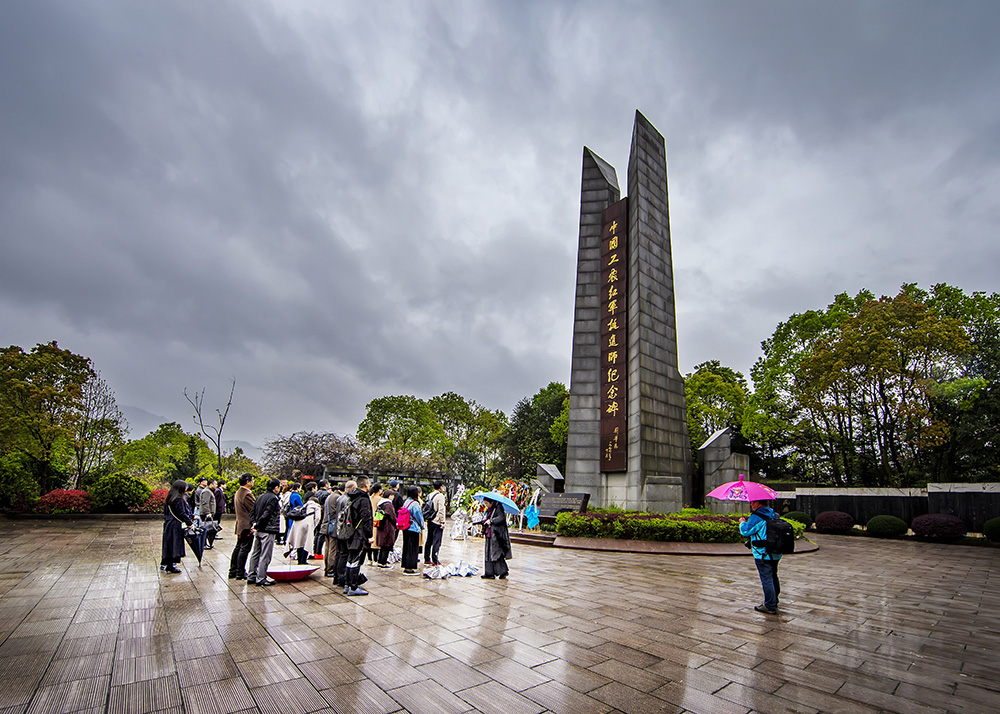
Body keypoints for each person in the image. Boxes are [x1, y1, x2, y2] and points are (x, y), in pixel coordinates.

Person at [739, 499, 783, 614]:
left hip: (763, 553)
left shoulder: (756, 516)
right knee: (774, 576)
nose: (751, 505)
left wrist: (742, 522)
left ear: (757, 503)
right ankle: (774, 601)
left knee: (766, 578)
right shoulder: (774, 514)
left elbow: (745, 532)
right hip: (776, 552)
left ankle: (769, 605)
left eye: (752, 503)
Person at [247, 478, 281, 586]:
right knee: (265, 555)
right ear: (276, 487)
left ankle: (251, 575)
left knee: (255, 553)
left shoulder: (260, 497)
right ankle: (261, 578)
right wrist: (259, 525)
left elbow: (252, 512)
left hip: (259, 529)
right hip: (268, 529)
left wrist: (254, 524)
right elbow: (267, 514)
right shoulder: (273, 498)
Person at [343, 477, 374, 595]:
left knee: (350, 559)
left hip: (350, 531)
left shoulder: (351, 497)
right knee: (356, 560)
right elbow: (366, 518)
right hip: (359, 533)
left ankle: (347, 584)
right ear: (366, 485)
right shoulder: (363, 499)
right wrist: (369, 535)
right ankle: (353, 586)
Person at [161, 480, 193, 573]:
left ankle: (168, 564)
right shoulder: (178, 498)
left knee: (169, 544)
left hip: (168, 523)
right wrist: (189, 523)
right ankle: (171, 565)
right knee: (175, 544)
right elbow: (181, 513)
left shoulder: (170, 497)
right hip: (175, 524)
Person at [228, 473, 256, 579]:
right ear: (248, 482)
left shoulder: (239, 492)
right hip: (246, 525)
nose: (253, 482)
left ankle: (233, 570)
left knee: (238, 547)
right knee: (244, 549)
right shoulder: (246, 494)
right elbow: (253, 509)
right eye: (252, 480)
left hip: (240, 524)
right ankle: (240, 571)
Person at [331, 481, 356, 586]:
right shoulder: (348, 500)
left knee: (339, 553)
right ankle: (342, 577)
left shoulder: (340, 498)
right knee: (344, 554)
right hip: (344, 530)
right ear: (352, 488)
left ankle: (336, 576)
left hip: (338, 529)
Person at [286, 492, 321, 565]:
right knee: (306, 543)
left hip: (298, 524)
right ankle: (303, 560)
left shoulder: (305, 505)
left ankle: (299, 560)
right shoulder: (316, 506)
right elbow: (318, 518)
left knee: (299, 542)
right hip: (307, 525)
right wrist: (313, 526)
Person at [482, 497, 511, 579]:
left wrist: (491, 521)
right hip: (489, 533)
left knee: (496, 554)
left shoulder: (498, 508)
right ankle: (489, 572)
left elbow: (501, 518)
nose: (486, 505)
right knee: (488, 553)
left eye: (487, 503)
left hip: (496, 534)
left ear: (491, 502)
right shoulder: (490, 510)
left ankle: (503, 571)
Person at [400, 485, 424, 574]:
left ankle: (405, 565)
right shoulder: (415, 503)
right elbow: (418, 516)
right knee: (413, 548)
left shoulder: (406, 502)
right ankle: (410, 568)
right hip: (413, 527)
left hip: (405, 527)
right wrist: (422, 526)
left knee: (406, 547)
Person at [423, 481, 447, 566]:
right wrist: (442, 522)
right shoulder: (440, 496)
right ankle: (435, 559)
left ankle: (426, 558)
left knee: (429, 539)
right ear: (440, 487)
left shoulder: (430, 495)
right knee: (437, 541)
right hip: (437, 521)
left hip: (430, 520)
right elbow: (441, 510)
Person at [322, 482, 342, 578]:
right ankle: (330, 569)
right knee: (333, 549)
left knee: (327, 547)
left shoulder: (330, 496)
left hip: (326, 524)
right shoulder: (338, 498)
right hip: (333, 526)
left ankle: (326, 568)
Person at [374, 490, 397, 568]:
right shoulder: (389, 504)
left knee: (382, 545)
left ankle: (380, 561)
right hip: (387, 527)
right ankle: (383, 562)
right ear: (389, 495)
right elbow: (392, 517)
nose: (393, 497)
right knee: (387, 545)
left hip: (381, 526)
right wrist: (396, 525)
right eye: (392, 495)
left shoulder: (381, 503)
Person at [199, 479, 218, 549]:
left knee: (209, 529)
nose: (216, 486)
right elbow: (205, 503)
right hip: (205, 513)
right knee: (206, 529)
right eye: (215, 484)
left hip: (208, 513)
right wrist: (208, 512)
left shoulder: (209, 491)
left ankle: (207, 543)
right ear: (211, 484)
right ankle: (204, 544)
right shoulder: (206, 492)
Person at [367, 483, 382, 563]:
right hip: (376, 521)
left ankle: (369, 559)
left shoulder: (369, 498)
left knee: (369, 540)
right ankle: (376, 559)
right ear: (379, 490)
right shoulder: (380, 499)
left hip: (369, 520)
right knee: (375, 541)